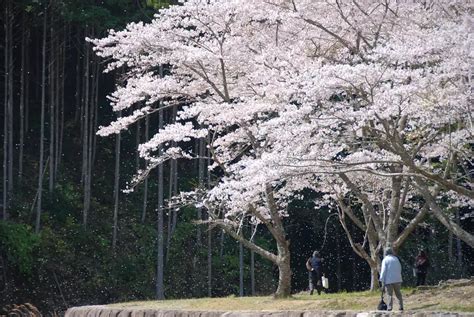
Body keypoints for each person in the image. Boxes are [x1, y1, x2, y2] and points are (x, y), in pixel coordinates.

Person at [379, 247, 403, 311]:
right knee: (398, 293)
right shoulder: (396, 259)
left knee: (389, 294)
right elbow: (400, 268)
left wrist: (381, 279)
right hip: (397, 279)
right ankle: (401, 306)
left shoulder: (385, 260)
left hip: (389, 280)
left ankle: (389, 307)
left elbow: (383, 270)